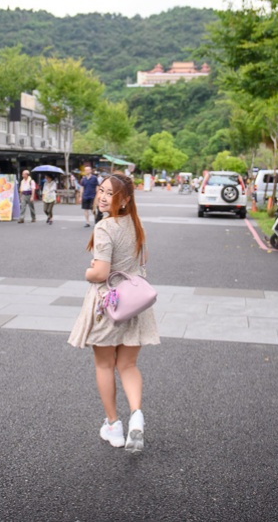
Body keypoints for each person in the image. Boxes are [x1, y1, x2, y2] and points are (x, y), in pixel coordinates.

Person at [68, 173, 158, 453]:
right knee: (128, 365)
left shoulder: (105, 227)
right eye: (101, 191)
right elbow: (141, 262)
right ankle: (137, 415)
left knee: (105, 365)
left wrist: (87, 272)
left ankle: (113, 425)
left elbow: (101, 272)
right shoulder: (135, 224)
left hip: (109, 304)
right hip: (135, 305)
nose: (103, 197)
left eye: (111, 193)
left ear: (125, 199)